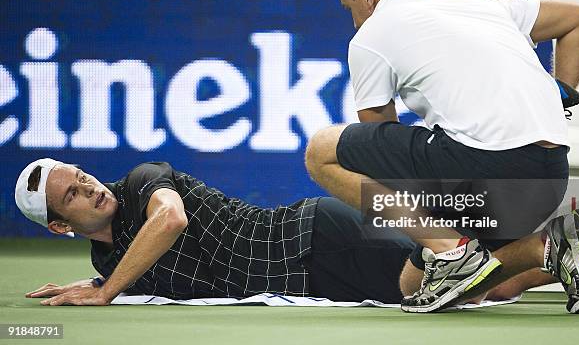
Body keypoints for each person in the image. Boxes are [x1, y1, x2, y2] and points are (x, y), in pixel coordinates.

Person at [304, 0, 579, 313]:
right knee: (413, 284)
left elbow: (377, 141)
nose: (353, 19)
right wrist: (557, 95)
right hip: (549, 176)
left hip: (485, 171)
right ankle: (548, 246)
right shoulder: (478, 2)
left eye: (350, 7)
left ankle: (452, 250)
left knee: (321, 151)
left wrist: (423, 223)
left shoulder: (370, 35)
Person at [15, 158, 416, 305]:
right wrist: (95, 280)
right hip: (315, 279)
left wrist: (106, 290)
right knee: (454, 283)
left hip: (314, 237)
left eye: (83, 177)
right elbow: (140, 269)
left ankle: (478, 203)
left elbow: (170, 220)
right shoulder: (106, 258)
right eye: (73, 195)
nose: (90, 188)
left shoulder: (141, 182)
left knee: (452, 280)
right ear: (59, 225)